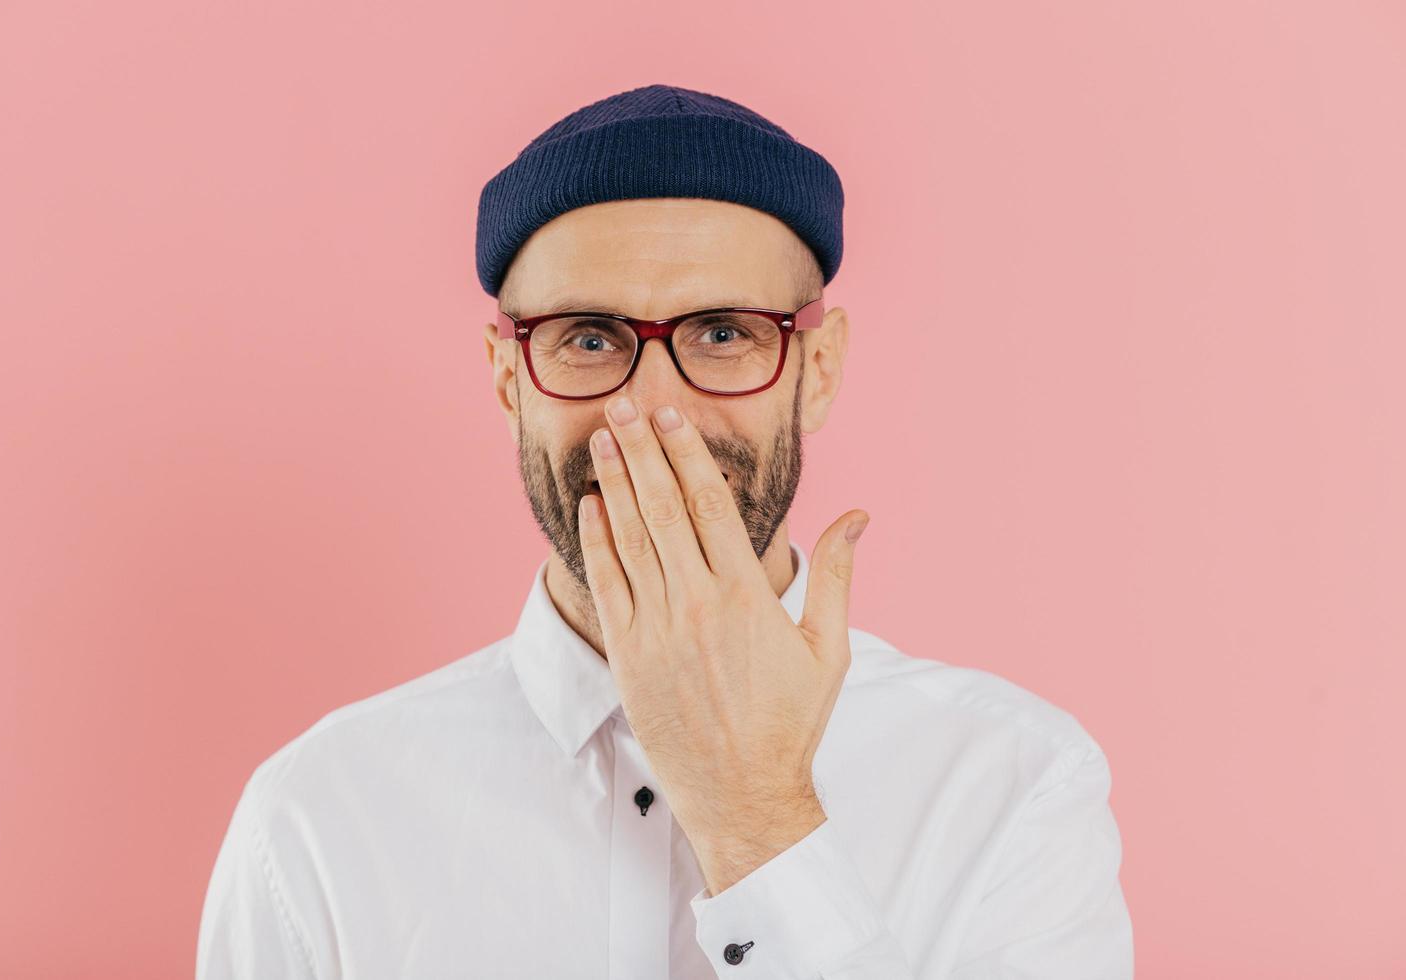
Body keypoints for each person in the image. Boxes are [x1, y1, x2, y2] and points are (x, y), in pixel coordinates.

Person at [196, 83, 1133, 979]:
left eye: (724, 333)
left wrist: (756, 816)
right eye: (589, 338)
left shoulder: (1016, 786)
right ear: (508, 379)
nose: (649, 410)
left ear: (818, 370)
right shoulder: (318, 818)